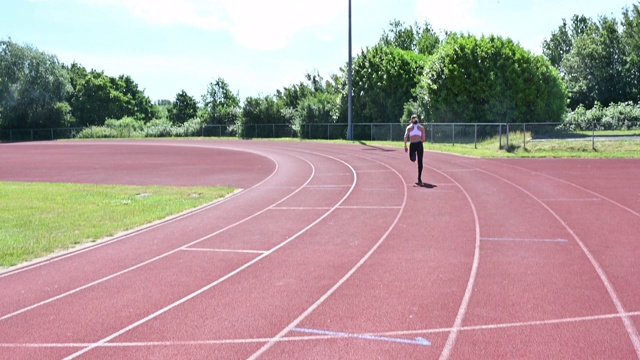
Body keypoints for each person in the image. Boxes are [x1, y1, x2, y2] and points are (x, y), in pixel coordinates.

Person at [404, 114, 426, 184]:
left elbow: (405, 136)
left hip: (413, 144)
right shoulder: (421, 128)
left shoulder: (409, 128)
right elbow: (424, 138)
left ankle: (419, 177)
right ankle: (419, 177)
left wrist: (405, 145)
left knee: (414, 159)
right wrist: (420, 140)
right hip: (418, 144)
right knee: (420, 161)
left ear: (411, 120)